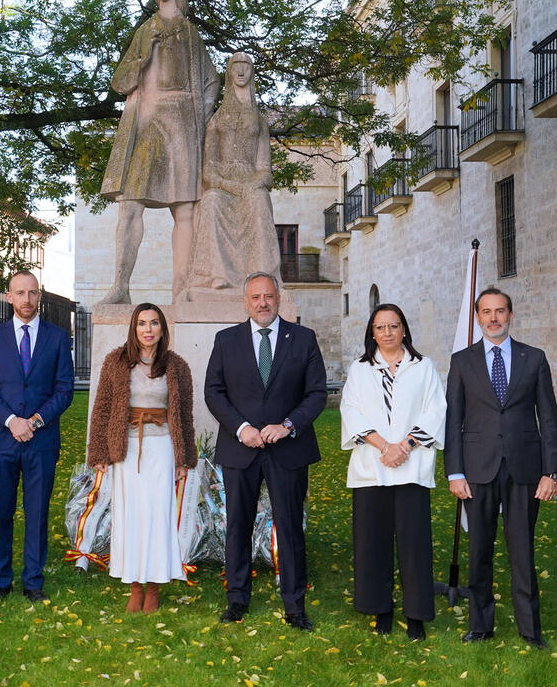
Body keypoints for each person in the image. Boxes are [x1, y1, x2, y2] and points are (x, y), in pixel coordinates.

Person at [205, 271, 327, 630]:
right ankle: (237, 600)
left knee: (289, 528)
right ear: (245, 302)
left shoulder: (303, 339)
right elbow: (214, 391)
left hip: (287, 450)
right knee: (237, 528)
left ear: (279, 299)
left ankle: (294, 605)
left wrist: (287, 425)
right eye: (256, 297)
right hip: (240, 449)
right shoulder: (226, 340)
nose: (262, 303)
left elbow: (317, 393)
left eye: (269, 296)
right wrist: (242, 429)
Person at [444, 287, 557, 648]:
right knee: (479, 550)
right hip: (477, 470)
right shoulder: (462, 361)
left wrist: (551, 471)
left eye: (500, 311)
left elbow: (550, 419)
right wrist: (455, 472)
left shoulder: (534, 358)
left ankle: (530, 629)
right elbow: (454, 420)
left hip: (525, 470)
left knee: (522, 551)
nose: (493, 318)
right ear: (478, 317)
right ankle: (480, 625)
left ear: (510, 315)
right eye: (486, 312)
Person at [99, 0, 219, 303]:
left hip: (182, 121)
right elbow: (120, 82)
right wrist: (143, 55)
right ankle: (120, 285)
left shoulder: (190, 33)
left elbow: (212, 80)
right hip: (148, 122)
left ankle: (182, 289)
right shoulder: (145, 31)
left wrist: (201, 113)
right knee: (130, 204)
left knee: (185, 209)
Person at [341, 303, 445, 640]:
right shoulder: (360, 369)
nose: (387, 333)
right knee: (372, 543)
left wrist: (406, 446)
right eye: (381, 327)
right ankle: (380, 610)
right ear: (372, 332)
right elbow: (351, 410)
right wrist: (385, 447)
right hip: (372, 467)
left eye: (394, 326)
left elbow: (435, 409)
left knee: (415, 545)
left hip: (411, 466)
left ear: (404, 330)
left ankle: (416, 616)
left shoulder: (423, 367)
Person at [86, 303, 197, 613]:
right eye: (142, 324)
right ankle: (135, 586)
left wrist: (184, 459)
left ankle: (155, 587)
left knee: (158, 518)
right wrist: (98, 452)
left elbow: (184, 415)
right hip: (127, 450)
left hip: (161, 450)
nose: (148, 329)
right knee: (131, 518)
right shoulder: (116, 362)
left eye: (154, 323)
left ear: (162, 329)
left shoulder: (177, 366)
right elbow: (102, 408)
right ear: (133, 329)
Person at [0, 271, 75, 603]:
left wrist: (34, 420)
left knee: (37, 513)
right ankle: (0, 582)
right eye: (20, 293)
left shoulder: (58, 338)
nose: (27, 300)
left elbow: (64, 390)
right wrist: (10, 421)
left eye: (32, 293)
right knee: (0, 512)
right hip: (1, 441)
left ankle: (33, 581)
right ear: (9, 297)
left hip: (42, 440)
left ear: (40, 295)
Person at [184, 52, 282, 298]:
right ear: (228, 72)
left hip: (250, 184)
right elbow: (208, 168)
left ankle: (263, 274)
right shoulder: (217, 119)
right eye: (235, 66)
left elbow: (265, 169)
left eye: (245, 66)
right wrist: (225, 184)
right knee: (211, 200)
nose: (240, 71)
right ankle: (219, 274)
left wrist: (254, 184)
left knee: (260, 200)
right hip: (223, 184)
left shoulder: (259, 120)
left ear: (251, 72)